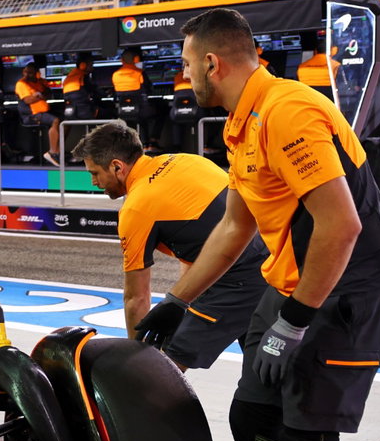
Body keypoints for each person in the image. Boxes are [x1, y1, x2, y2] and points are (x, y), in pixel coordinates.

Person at [136, 9, 380, 441]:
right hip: (291, 283)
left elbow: (342, 227)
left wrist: (295, 320)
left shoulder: (288, 110)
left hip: (348, 293)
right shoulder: (242, 123)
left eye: (184, 64)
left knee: (307, 439)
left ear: (212, 63)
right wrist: (177, 301)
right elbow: (235, 228)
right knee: (253, 417)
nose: (182, 77)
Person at [74, 122, 266, 369]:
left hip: (235, 277)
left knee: (162, 369)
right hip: (270, 259)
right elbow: (197, 248)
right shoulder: (187, 160)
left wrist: (137, 358)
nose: (93, 182)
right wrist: (184, 301)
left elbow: (136, 297)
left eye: (94, 173)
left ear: (117, 167)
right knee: (262, 370)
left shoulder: (136, 209)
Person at [14, 62, 60, 164]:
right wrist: (39, 96)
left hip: (43, 112)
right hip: (30, 115)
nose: (26, 74)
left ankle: (57, 151)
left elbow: (48, 94)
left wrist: (39, 95)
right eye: (25, 72)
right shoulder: (21, 83)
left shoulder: (40, 82)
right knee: (55, 121)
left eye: (30, 72)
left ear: (36, 73)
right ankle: (52, 153)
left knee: (65, 122)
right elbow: (28, 100)